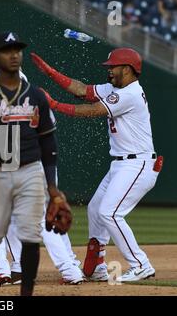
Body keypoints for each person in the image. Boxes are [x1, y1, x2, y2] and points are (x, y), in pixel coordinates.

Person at [31, 47, 162, 282]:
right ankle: (100, 266)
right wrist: (51, 72)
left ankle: (141, 264)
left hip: (138, 164)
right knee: (96, 210)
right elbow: (82, 91)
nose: (109, 70)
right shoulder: (116, 89)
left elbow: (93, 110)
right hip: (122, 164)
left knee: (110, 213)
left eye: (113, 67)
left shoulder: (130, 94)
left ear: (128, 69)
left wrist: (55, 105)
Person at [0, 32, 72, 296]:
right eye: (7, 50)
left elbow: (48, 142)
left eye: (18, 50)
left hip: (30, 170)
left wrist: (53, 188)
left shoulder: (35, 96)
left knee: (31, 236)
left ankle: (26, 292)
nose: (14, 55)